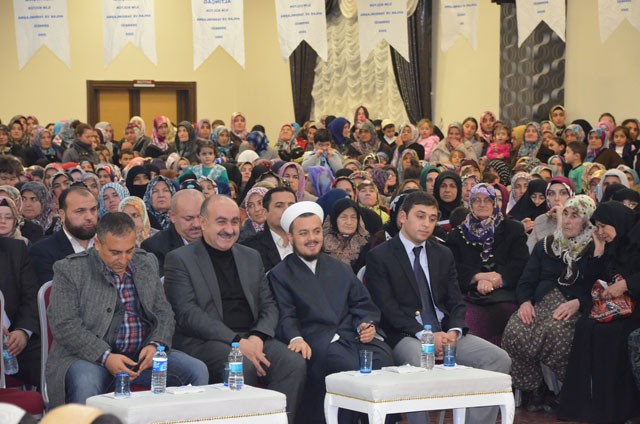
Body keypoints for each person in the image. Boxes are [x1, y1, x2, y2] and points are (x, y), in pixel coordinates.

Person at [365, 191, 511, 424]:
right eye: (420, 216)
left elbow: (455, 301)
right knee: (421, 359)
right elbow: (388, 309)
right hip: (406, 335)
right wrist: (426, 337)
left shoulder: (442, 254)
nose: (427, 224)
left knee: (498, 359)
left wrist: (453, 331)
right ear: (403, 217)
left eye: (432, 219)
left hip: (445, 332)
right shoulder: (380, 256)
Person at [164, 195, 306, 423]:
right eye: (221, 222)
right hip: (206, 341)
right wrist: (238, 342)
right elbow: (188, 314)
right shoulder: (179, 259)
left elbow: (269, 304)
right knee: (240, 365)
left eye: (234, 222)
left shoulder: (250, 256)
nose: (229, 230)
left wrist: (258, 336)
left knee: (292, 363)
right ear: (203, 222)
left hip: (252, 337)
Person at [46, 212, 208, 407]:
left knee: (197, 370)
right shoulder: (70, 269)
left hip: (141, 357)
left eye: (129, 251)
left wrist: (155, 345)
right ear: (97, 244)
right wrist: (105, 357)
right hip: (88, 358)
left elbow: (164, 313)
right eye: (115, 252)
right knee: (86, 381)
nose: (123, 259)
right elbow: (65, 325)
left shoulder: (146, 262)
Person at [268, 201, 394, 424]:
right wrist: (295, 338)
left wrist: (366, 324)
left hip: (351, 336)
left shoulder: (339, 267)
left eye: (316, 231)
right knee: (349, 368)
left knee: (385, 361)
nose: (312, 238)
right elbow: (285, 314)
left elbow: (362, 303)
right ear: (290, 237)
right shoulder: (280, 274)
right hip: (317, 340)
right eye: (303, 233)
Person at [502, 195, 595, 412]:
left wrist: (579, 303)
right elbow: (526, 280)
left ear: (587, 221)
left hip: (572, 308)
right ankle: (535, 387)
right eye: (566, 214)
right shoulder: (546, 245)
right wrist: (525, 302)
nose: (568, 221)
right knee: (515, 329)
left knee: (556, 333)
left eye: (575, 216)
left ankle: (569, 390)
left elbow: (598, 287)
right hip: (542, 304)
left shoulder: (594, 249)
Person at [559, 201, 640, 423]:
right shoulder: (609, 246)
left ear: (618, 223)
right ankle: (588, 406)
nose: (601, 231)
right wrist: (599, 251)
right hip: (612, 308)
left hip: (635, 307)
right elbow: (591, 282)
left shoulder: (636, 243)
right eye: (597, 227)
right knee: (586, 326)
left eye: (604, 226)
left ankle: (617, 409)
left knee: (612, 333)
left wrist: (627, 285)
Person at [446, 183, 529, 346]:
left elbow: (521, 263)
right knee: (467, 321)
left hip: (505, 293)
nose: (482, 204)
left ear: (494, 203)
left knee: (511, 318)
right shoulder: (457, 235)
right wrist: (477, 277)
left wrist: (498, 279)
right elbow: (451, 267)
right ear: (470, 204)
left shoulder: (513, 229)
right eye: (477, 200)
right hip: (469, 295)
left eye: (487, 200)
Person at [30, 185, 98, 285]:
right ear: (62, 215)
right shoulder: (43, 251)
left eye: (93, 209)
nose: (89, 217)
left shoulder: (108, 244)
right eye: (80, 211)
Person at [0, 237, 41, 388]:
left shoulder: (15, 249)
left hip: (13, 337)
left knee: (57, 367)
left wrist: (23, 332)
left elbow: (31, 296)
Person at [141, 189, 204, 276]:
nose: (197, 224)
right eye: (189, 219)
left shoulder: (216, 240)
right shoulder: (154, 247)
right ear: (172, 216)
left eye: (200, 217)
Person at [242, 186, 297, 272]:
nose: (286, 210)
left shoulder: (307, 240)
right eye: (279, 206)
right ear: (265, 212)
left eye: (291, 205)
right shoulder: (251, 248)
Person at [323, 198, 371, 274]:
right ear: (334, 219)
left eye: (353, 217)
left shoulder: (366, 244)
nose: (349, 222)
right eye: (343, 217)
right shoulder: (322, 244)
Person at [527, 177, 574, 252]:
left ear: (571, 196)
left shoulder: (578, 222)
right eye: (551, 193)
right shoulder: (540, 220)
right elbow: (529, 252)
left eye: (563, 193)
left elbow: (561, 252)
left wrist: (561, 219)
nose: (556, 198)